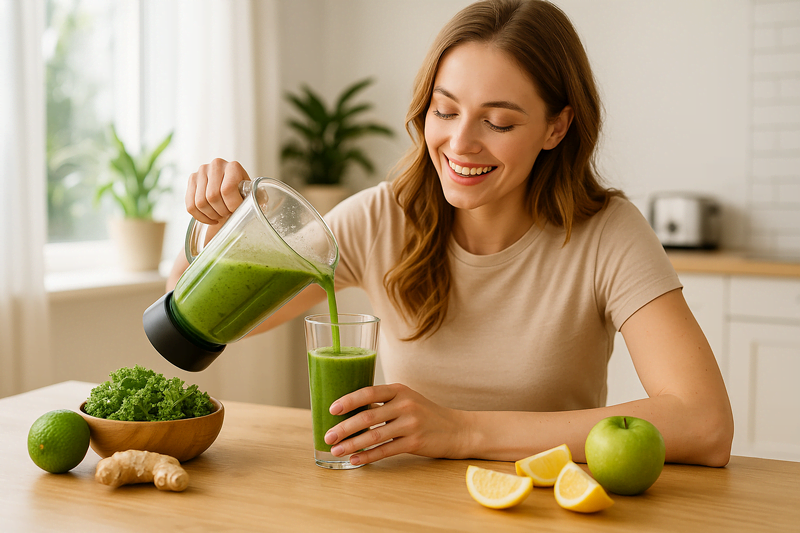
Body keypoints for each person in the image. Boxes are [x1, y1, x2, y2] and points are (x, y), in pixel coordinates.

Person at [168, 0, 734, 468]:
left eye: (499, 122)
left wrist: (462, 432)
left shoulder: (607, 235)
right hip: (408, 510)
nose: (461, 144)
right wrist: (217, 234)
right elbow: (195, 332)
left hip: (547, 506)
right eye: (445, 111)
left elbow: (705, 424)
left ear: (556, 127)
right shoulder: (377, 219)